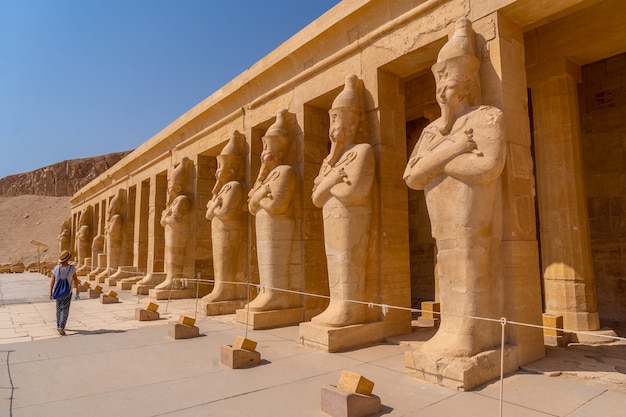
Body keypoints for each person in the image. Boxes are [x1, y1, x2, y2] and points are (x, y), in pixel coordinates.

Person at [403, 18, 506, 357]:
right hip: (441, 213)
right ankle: (451, 329)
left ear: (467, 85)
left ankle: (471, 333)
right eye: (439, 85)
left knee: (469, 262)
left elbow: (488, 166)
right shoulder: (433, 131)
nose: (440, 92)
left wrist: (435, 162)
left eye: (448, 85)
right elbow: (411, 177)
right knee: (447, 266)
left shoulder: (487, 117)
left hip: (472, 213)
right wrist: (451, 149)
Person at [311, 74, 375, 327]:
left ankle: (350, 308)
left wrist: (328, 186)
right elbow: (316, 198)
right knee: (333, 258)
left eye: (344, 122)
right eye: (335, 122)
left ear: (354, 125)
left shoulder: (363, 151)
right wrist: (332, 179)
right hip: (331, 214)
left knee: (348, 258)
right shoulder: (329, 162)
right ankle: (336, 304)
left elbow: (355, 192)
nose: (339, 129)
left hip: (353, 215)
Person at [247, 109, 299, 311]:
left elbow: (277, 206)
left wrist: (259, 197)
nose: (264, 154)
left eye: (267, 149)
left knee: (275, 264)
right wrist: (261, 183)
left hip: (280, 224)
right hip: (264, 223)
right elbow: (251, 205)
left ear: (279, 152)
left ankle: (277, 295)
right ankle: (267, 292)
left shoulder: (285, 172)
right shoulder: (268, 176)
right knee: (265, 263)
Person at [202, 131, 246, 304]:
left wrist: (213, 206)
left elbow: (227, 213)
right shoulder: (222, 189)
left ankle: (226, 289)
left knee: (226, 261)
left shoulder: (234, 186)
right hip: (219, 229)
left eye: (222, 167)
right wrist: (214, 208)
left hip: (230, 230)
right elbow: (207, 215)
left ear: (233, 169)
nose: (218, 171)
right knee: (219, 260)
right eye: (218, 167)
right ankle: (220, 287)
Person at [49, 250, 80, 335]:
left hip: (57, 290)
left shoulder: (56, 268)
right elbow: (76, 280)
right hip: (67, 291)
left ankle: (58, 324)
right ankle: (61, 326)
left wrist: (51, 292)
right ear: (68, 258)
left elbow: (52, 281)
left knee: (58, 308)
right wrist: (77, 289)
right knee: (65, 308)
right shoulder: (72, 268)